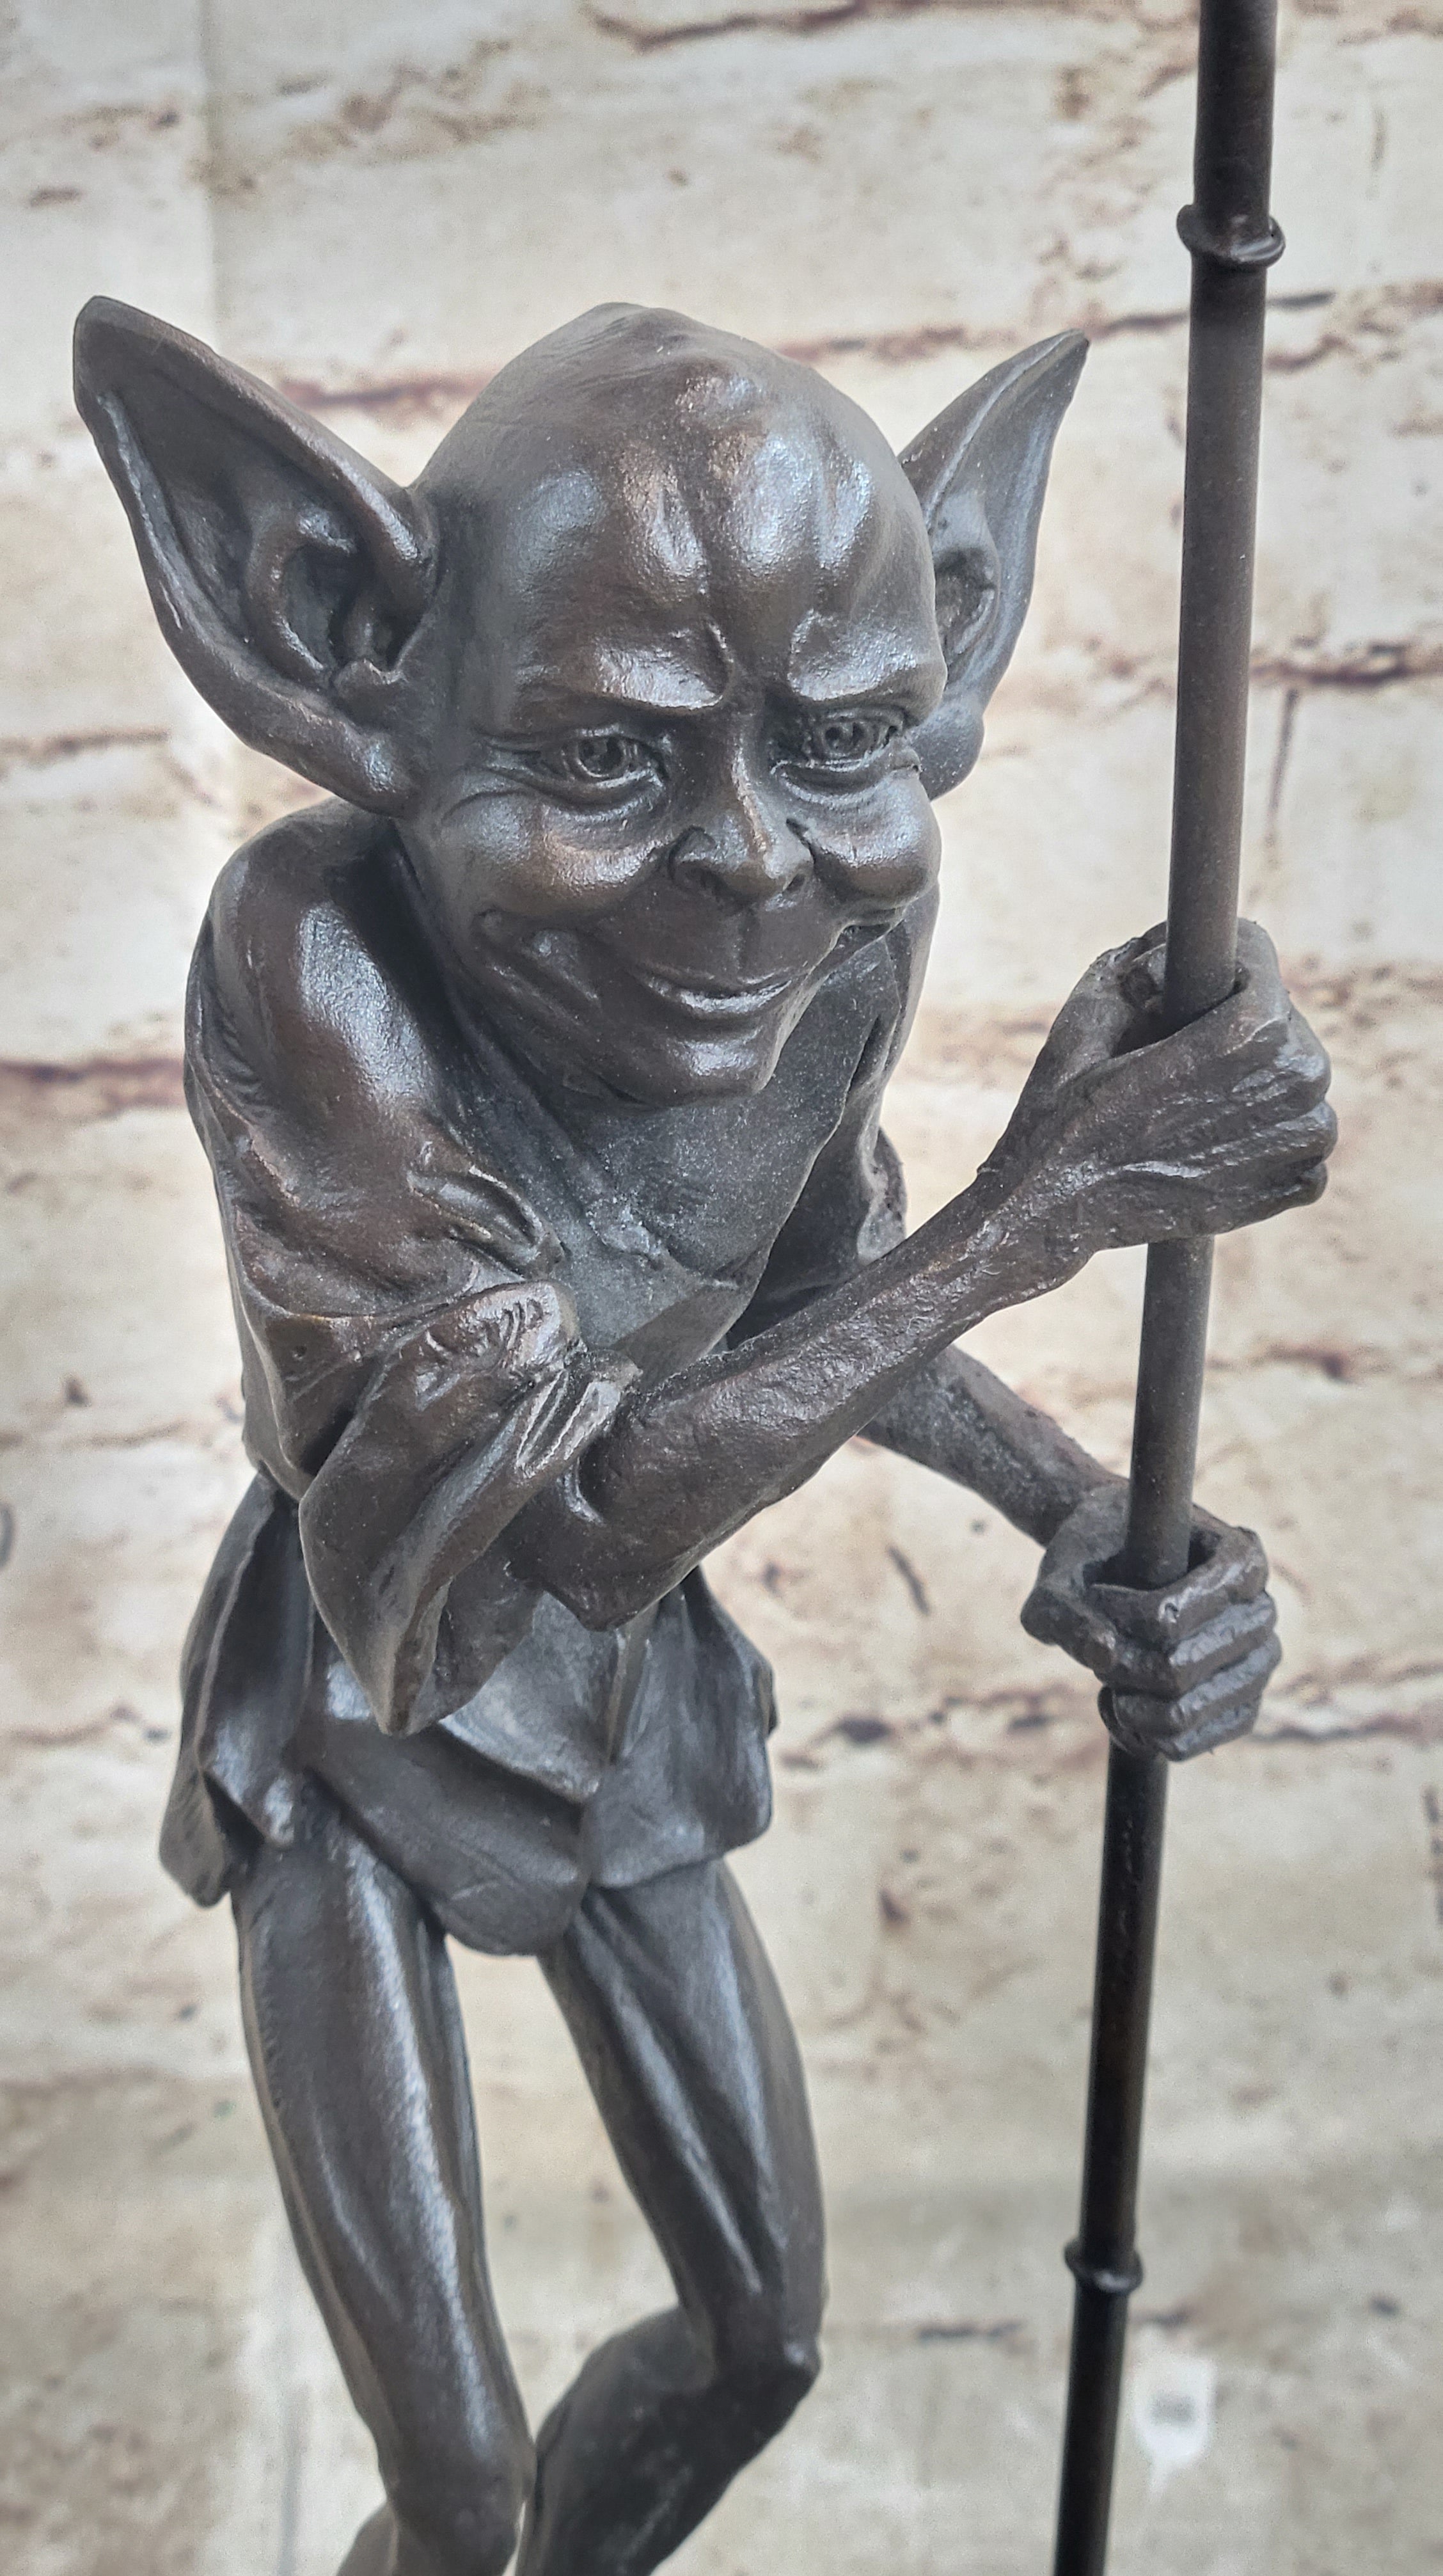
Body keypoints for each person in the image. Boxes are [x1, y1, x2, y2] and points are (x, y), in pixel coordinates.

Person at [75, 297, 1334, 2576]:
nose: (752, 864)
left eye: (839, 743)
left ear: (942, 653)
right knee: (458, 2486)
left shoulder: (827, 938)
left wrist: (1083, 1510)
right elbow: (560, 1512)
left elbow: (814, 1303)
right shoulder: (314, 950)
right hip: (363, 1702)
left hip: (622, 1701)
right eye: (604, 761)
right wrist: (1048, 1208)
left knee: (761, 2336)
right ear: (337, 649)